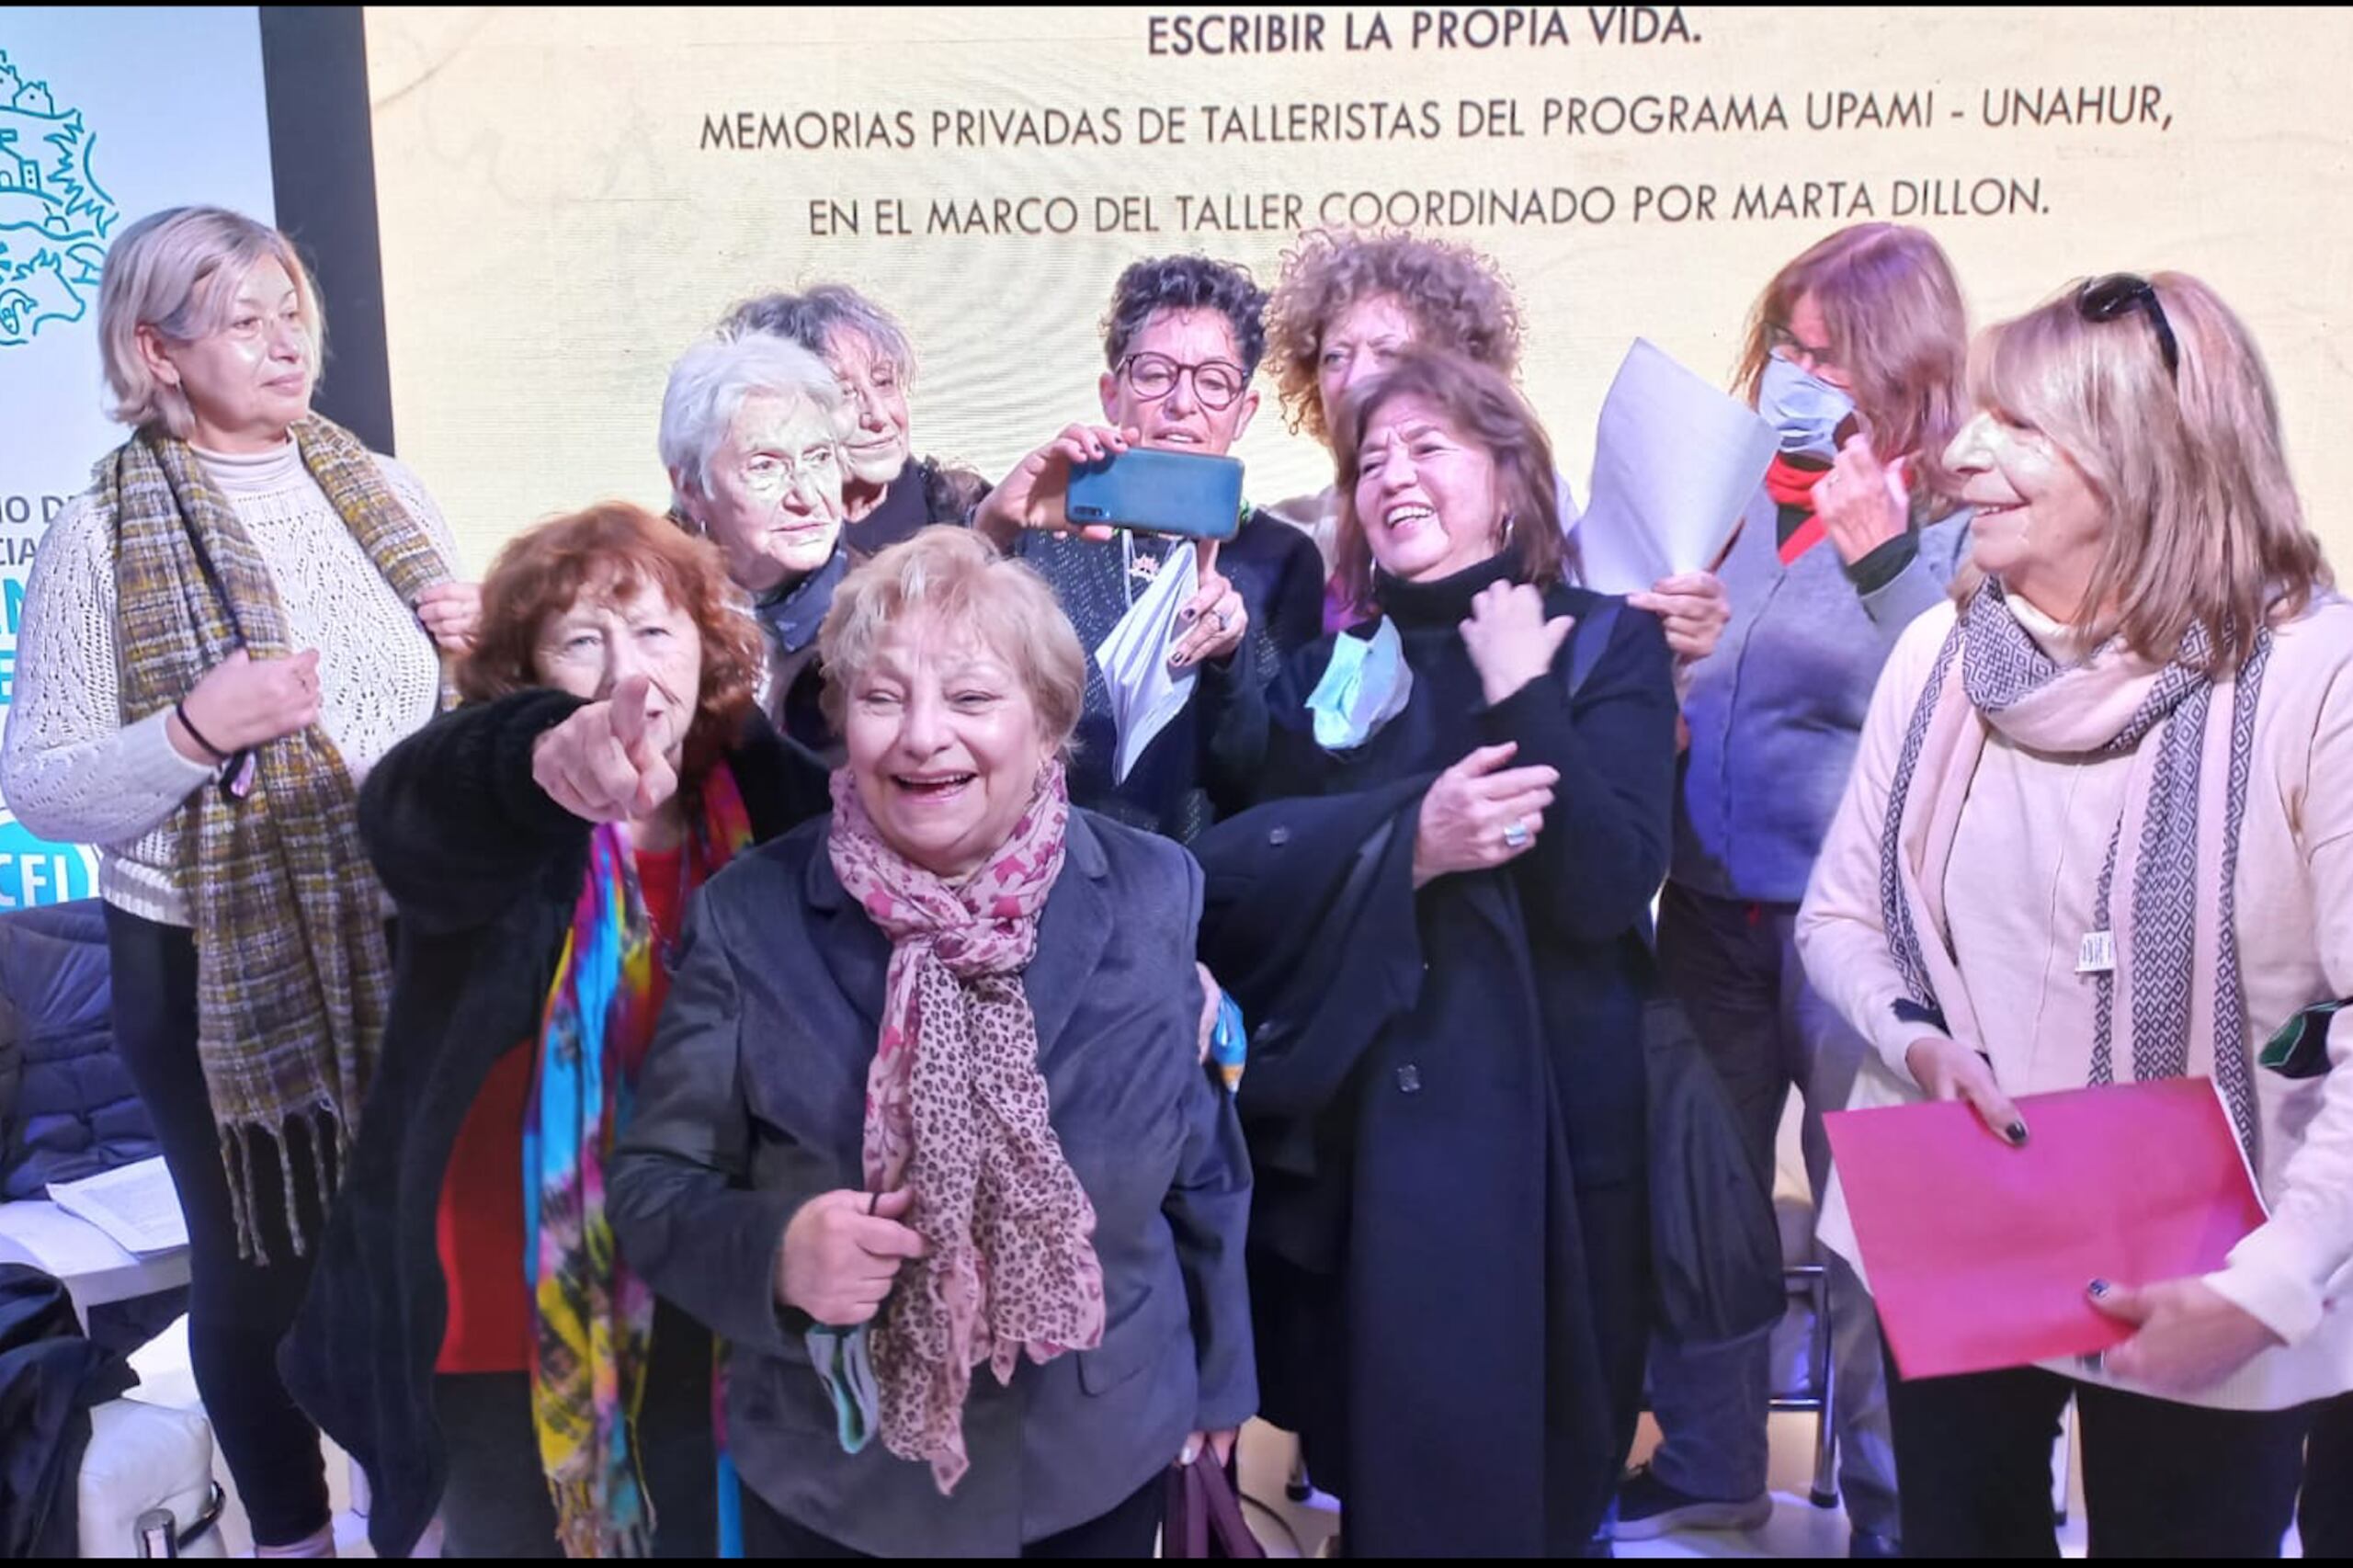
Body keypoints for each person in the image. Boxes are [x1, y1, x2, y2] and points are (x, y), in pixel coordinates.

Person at [1797, 271, 2353, 1557]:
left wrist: (2265, 1290)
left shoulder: (2314, 676)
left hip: (2220, 1259)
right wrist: (1920, 1041)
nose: (1962, 452)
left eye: (2018, 425)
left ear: (2149, 453)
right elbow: (1842, 920)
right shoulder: (1942, 654)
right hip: (1961, 1227)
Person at [607, 527, 1256, 1556]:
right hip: (842, 1482)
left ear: (1047, 726)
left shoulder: (1150, 890)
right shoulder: (751, 917)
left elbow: (1202, 1161)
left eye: (969, 696)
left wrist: (1223, 1377)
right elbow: (650, 1187)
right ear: (841, 724)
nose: (921, 735)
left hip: (1096, 1457)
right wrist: (776, 1253)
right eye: (881, 696)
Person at [0, 204, 474, 1558]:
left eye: (292, 311)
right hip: (205, 959)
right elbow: (38, 784)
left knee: (403, 1263)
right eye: (244, 318)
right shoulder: (99, 533)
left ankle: (414, 1523)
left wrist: (487, 635)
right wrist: (199, 727)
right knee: (264, 1270)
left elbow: (457, 725)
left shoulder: (384, 487)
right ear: (156, 349)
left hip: (406, 932)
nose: (285, 342)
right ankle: (289, 1539)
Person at [1193, 344, 1677, 1556]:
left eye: (1428, 449)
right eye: (1370, 459)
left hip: (1559, 1148)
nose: (1392, 478)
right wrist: (1411, 844)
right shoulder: (1332, 671)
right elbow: (1258, 876)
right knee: (1394, 1489)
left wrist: (1523, 693)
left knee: (1551, 1491)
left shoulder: (1602, 639)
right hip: (1378, 1155)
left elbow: (1606, 885)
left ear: (1509, 478)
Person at [280, 502, 829, 1558]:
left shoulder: (772, 804)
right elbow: (411, 806)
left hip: (707, 1270)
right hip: (506, 1298)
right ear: (528, 671)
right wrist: (541, 757)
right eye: (583, 640)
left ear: (709, 647)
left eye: (657, 630)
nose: (629, 668)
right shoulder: (497, 807)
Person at [1616, 222, 1973, 1556]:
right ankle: (1708, 1459)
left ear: (1903, 366)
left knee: (1878, 1223)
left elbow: (1963, 700)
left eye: (1827, 353)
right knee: (1699, 1198)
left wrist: (1881, 554)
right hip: (1706, 907)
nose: (1795, 373)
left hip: (1864, 937)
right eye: (1785, 342)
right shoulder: (1727, 489)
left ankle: (1896, 1512)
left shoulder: (1955, 515)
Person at [976, 254, 1326, 840]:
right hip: (1040, 869)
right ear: (1111, 394)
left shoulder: (1281, 557)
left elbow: (1260, 778)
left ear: (1245, 412)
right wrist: (989, 529)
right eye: (1155, 373)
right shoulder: (1041, 529)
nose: (1182, 403)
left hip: (1202, 889)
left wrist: (1227, 661)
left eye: (1213, 381)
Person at [1257, 226, 1580, 613]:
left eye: (1386, 352)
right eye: (1335, 358)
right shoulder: (1289, 534)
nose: (1355, 378)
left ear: (1451, 370)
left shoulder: (1523, 498)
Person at [660, 329, 862, 758]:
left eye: (819, 457)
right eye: (766, 466)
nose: (807, 496)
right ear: (692, 488)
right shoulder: (637, 605)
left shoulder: (882, 612)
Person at [720, 284, 990, 555]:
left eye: (884, 382)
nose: (880, 416)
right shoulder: (735, 539)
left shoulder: (967, 507)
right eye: (843, 393)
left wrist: (987, 535)